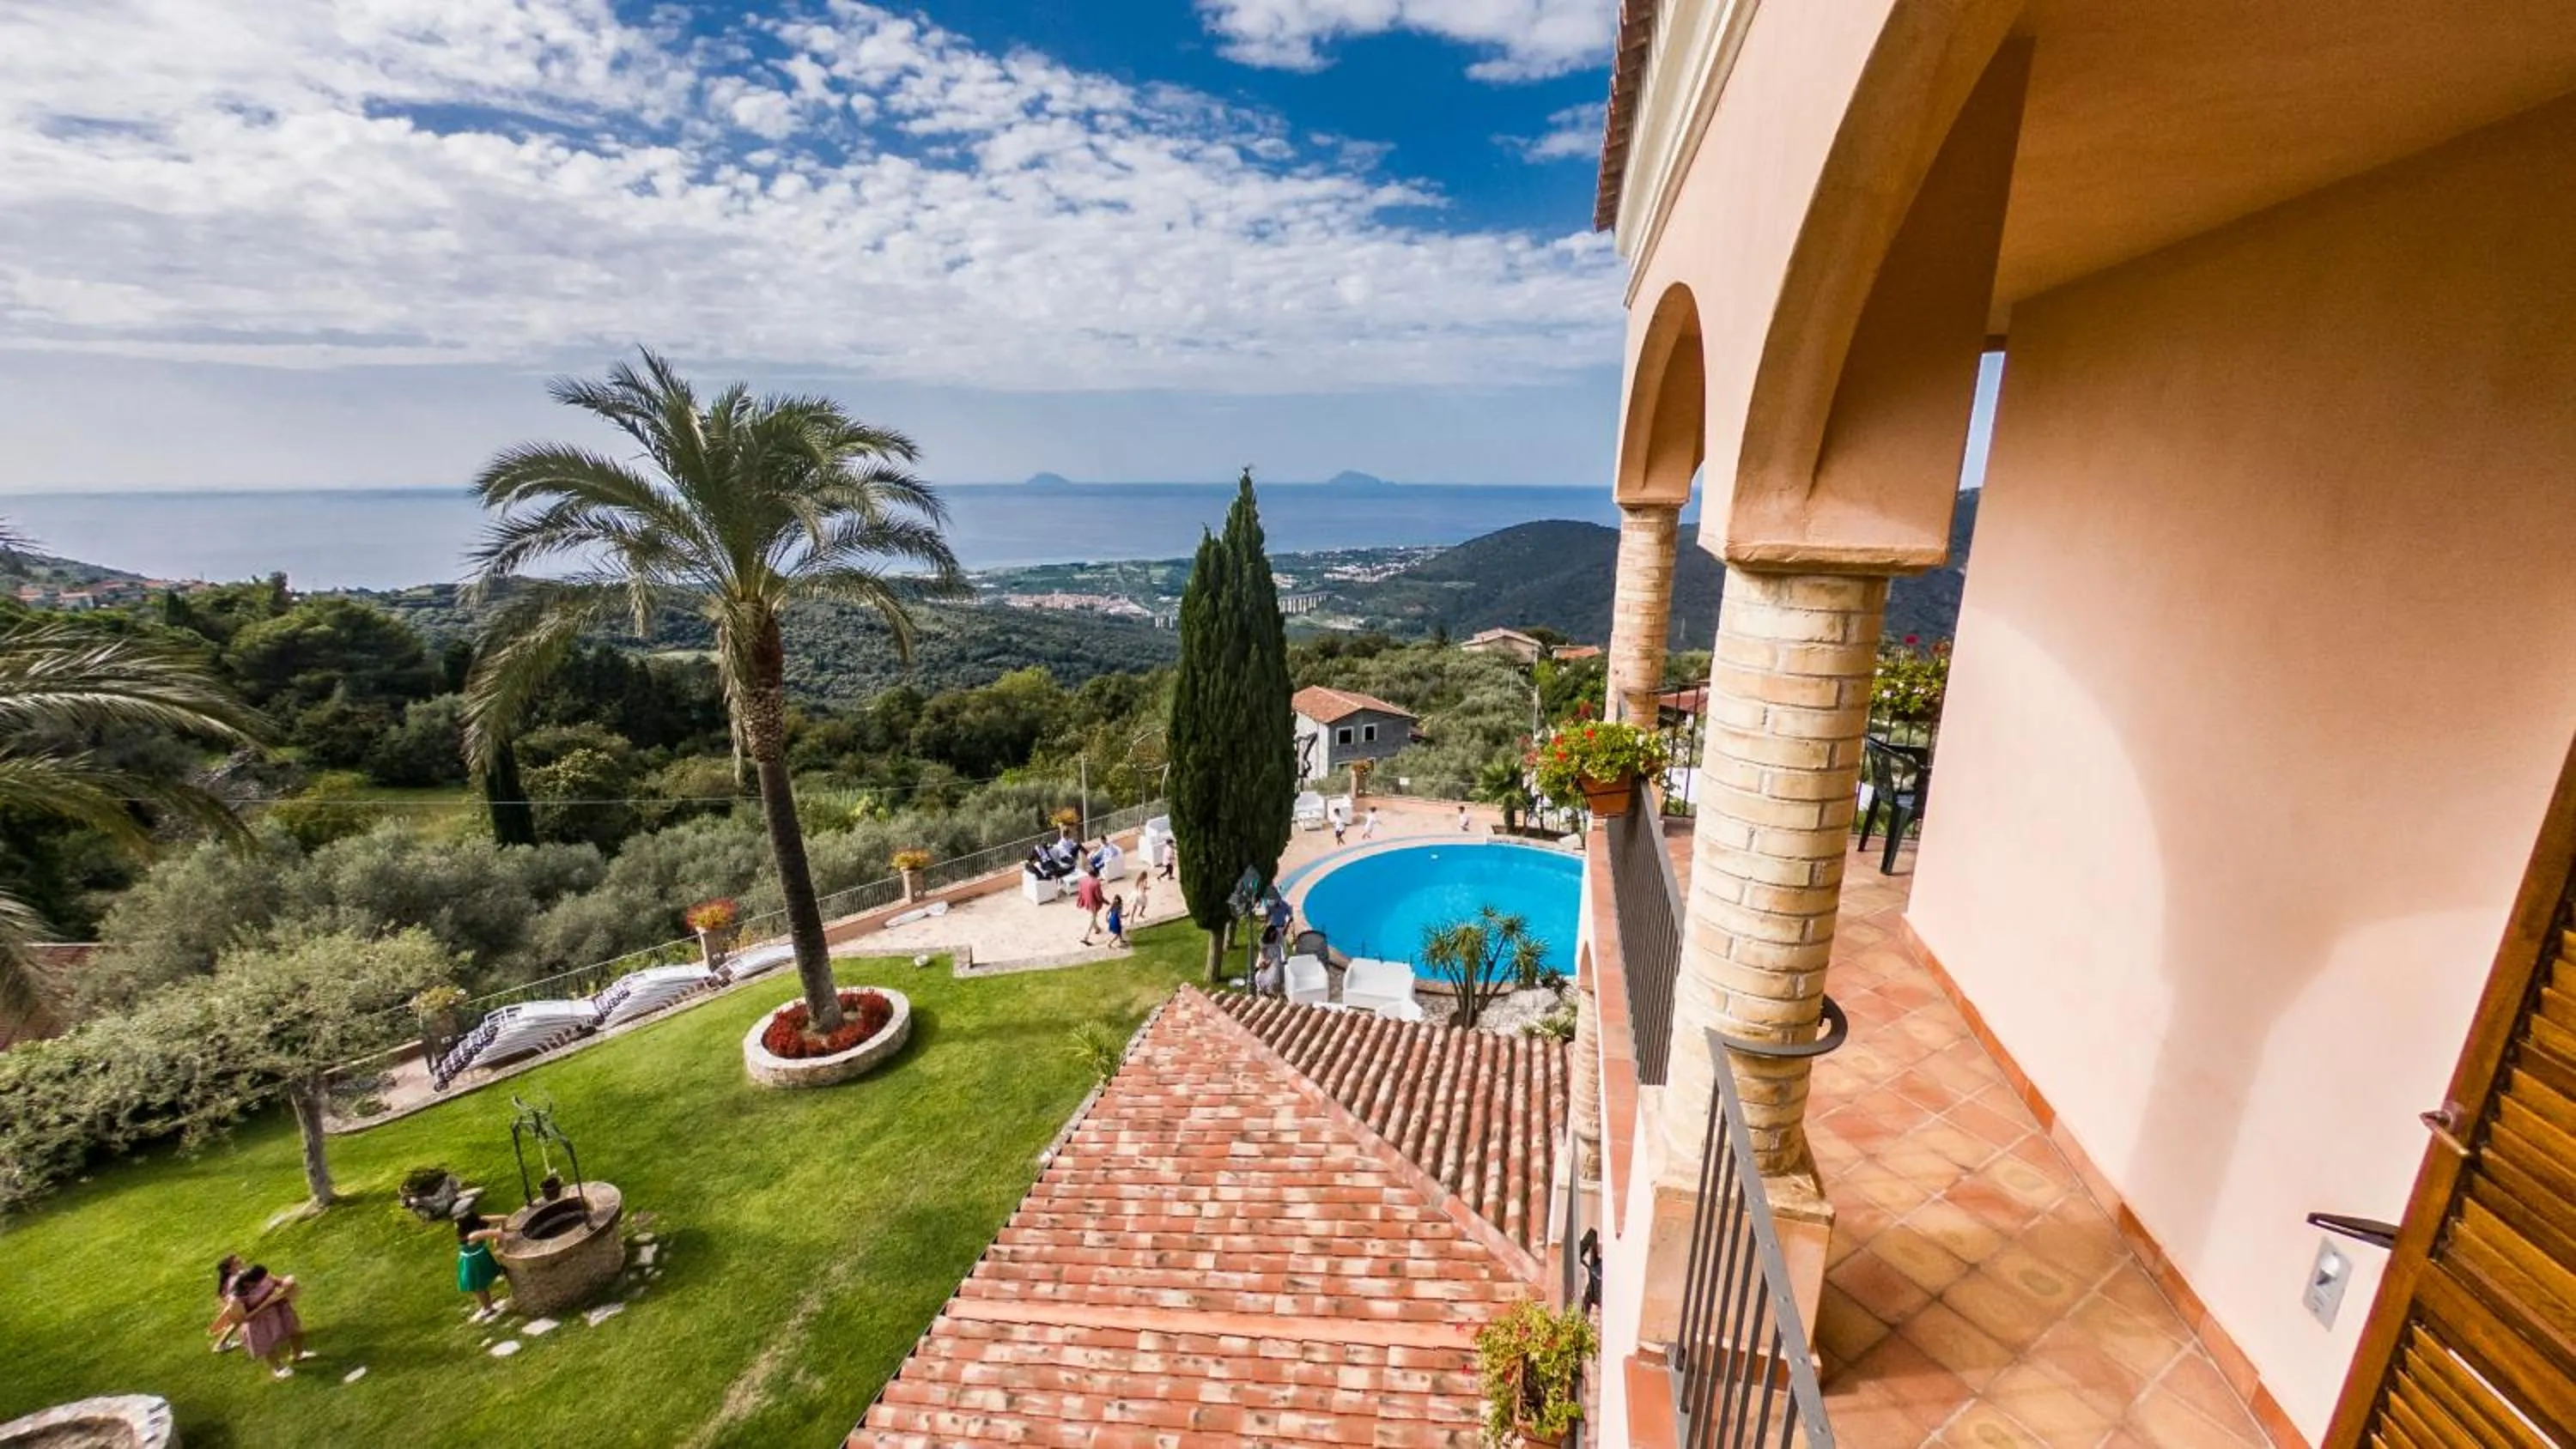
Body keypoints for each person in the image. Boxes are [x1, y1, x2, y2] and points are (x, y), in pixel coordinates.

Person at [224, 1264, 309, 1379]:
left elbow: (279, 1282)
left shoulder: (263, 1276)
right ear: (248, 1283)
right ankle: (278, 1369)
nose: (263, 1282)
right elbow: (244, 1319)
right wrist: (267, 1303)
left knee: (297, 1332)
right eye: (259, 1281)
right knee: (268, 1347)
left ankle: (297, 1355)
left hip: (280, 1310)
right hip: (258, 1321)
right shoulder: (236, 1298)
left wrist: (288, 1282)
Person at [455, 1211, 507, 1322]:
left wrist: (501, 1246)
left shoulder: (473, 1235)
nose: (455, 1225)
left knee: (477, 1287)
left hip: (473, 1261)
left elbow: (499, 1234)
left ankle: (488, 1308)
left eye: (458, 1223)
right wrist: (503, 1228)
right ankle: (488, 1306)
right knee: (479, 1286)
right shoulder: (481, 1221)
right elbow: (504, 1217)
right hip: (473, 1258)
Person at [210, 1254, 247, 1353]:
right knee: (237, 1323)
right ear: (229, 1269)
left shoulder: (237, 1275)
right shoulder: (236, 1278)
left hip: (235, 1305)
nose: (242, 1262)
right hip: (237, 1306)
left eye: (240, 1260)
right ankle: (219, 1345)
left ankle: (220, 1345)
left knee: (236, 1323)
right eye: (237, 1263)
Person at [1076, 866, 1106, 944]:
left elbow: (1080, 891)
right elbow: (1099, 897)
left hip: (1087, 900)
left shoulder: (1083, 880)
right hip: (1093, 903)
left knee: (1093, 916)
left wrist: (1080, 900)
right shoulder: (1096, 883)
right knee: (1092, 918)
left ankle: (1097, 929)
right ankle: (1085, 937)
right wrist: (1105, 901)